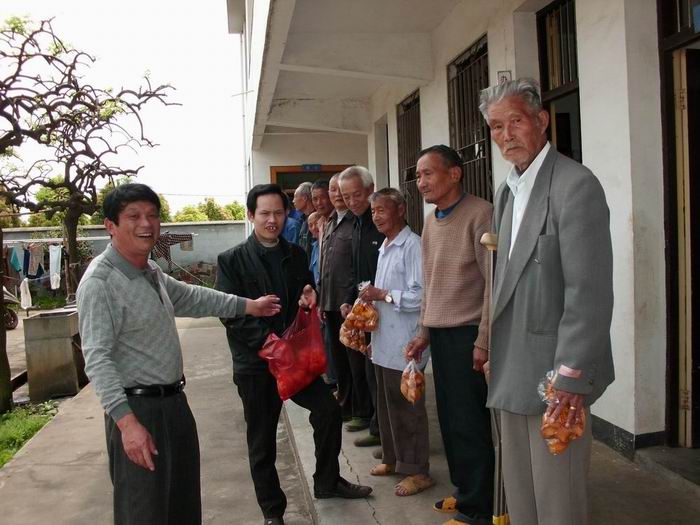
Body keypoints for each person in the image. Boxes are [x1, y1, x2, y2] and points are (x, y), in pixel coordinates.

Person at [76, 183, 282, 525]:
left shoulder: (149, 271)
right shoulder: (100, 282)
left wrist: (250, 306)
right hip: (138, 411)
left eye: (152, 215)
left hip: (173, 405)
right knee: (144, 512)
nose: (146, 224)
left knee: (182, 506)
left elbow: (192, 297)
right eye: (134, 216)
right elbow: (97, 359)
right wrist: (127, 424)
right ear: (110, 225)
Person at [479, 78, 614, 525]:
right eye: (496, 127)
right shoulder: (507, 192)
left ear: (541, 121)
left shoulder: (575, 185)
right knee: (521, 498)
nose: (506, 135)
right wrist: (489, 346)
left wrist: (570, 377)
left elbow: (588, 293)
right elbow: (503, 283)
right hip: (510, 368)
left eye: (515, 121)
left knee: (559, 502)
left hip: (555, 377)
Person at [216, 183, 372, 525]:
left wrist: (307, 295)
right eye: (264, 213)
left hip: (295, 358)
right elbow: (229, 312)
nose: (272, 220)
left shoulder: (296, 254)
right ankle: (273, 512)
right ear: (251, 215)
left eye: (278, 213)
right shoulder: (231, 261)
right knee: (262, 440)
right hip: (256, 364)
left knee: (328, 411)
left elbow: (304, 289)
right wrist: (266, 342)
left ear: (287, 214)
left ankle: (327, 481)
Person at [405, 145, 494, 525]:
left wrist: (484, 340)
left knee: (470, 423)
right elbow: (431, 282)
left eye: (428, 173)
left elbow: (494, 283)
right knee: (451, 420)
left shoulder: (481, 214)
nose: (421, 182)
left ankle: (480, 507)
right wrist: (423, 332)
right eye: (418, 175)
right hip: (441, 335)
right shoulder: (431, 220)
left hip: (468, 334)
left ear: (455, 173)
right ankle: (464, 490)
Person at [359, 188, 434, 498]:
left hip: (406, 341)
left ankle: (418, 471)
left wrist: (383, 294)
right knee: (387, 405)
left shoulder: (412, 246)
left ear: (400, 210)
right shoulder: (385, 245)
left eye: (382, 210)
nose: (376, 216)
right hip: (384, 340)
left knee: (408, 409)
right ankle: (392, 458)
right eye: (373, 211)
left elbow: (422, 296)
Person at [339, 166, 385, 447]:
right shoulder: (355, 225)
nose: (352, 201)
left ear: (370, 190)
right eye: (347, 196)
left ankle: (383, 432)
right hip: (363, 308)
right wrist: (348, 299)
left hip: (385, 307)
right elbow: (355, 270)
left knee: (380, 372)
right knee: (366, 369)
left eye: (357, 194)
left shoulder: (380, 222)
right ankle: (373, 422)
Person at [318, 173, 366, 422]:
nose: (337, 195)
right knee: (339, 360)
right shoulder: (329, 222)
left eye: (340, 190)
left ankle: (361, 410)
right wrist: (320, 299)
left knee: (355, 360)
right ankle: (346, 405)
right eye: (333, 189)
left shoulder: (356, 221)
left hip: (349, 304)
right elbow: (325, 265)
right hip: (330, 301)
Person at [293, 181, 315, 257]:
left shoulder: (316, 219)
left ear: (305, 198)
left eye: (295, 197)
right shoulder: (303, 220)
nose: (293, 201)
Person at [306, 211, 326, 286]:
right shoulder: (315, 246)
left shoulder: (328, 243)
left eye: (316, 223)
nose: (314, 228)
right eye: (310, 225)